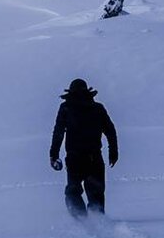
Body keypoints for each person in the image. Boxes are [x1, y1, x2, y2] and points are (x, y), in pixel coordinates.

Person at [49, 78, 118, 216]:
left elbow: (58, 132)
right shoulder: (97, 108)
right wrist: (113, 152)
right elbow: (110, 131)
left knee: (73, 191)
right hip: (94, 158)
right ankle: (97, 222)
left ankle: (82, 222)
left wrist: (54, 155)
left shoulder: (66, 108)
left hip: (75, 158)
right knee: (96, 194)